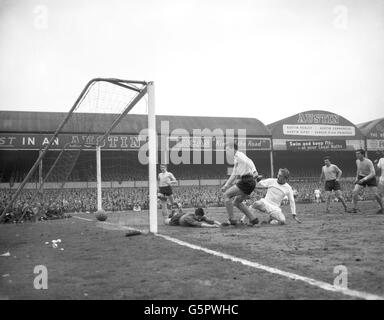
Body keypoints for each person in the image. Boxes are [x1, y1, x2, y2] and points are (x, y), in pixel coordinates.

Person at [220, 141, 260, 226]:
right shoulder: (236, 158)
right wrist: (226, 185)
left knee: (226, 195)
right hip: (249, 181)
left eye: (227, 149)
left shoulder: (239, 155)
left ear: (233, 148)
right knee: (237, 202)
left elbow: (249, 161)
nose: (226, 152)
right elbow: (234, 174)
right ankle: (253, 219)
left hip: (247, 180)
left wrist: (254, 171)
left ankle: (232, 219)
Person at [350, 149, 383, 214]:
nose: (356, 155)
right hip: (361, 177)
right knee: (354, 192)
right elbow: (358, 170)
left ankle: (382, 208)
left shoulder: (368, 162)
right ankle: (354, 208)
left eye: (358, 154)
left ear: (362, 154)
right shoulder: (357, 161)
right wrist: (357, 178)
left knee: (376, 195)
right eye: (356, 154)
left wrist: (364, 179)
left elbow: (373, 173)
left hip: (370, 177)